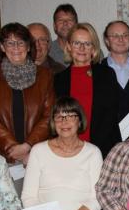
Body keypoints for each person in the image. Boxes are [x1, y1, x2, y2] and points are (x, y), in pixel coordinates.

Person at [0, 22, 55, 172]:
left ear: (28, 47)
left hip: (36, 153)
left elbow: (49, 115)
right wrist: (12, 147)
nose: (15, 48)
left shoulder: (45, 76)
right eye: (10, 43)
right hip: (1, 155)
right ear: (2, 47)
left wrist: (28, 146)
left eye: (20, 42)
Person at [53, 22, 123, 157]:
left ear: (93, 48)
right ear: (68, 46)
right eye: (77, 43)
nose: (82, 48)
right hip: (67, 149)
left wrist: (90, 149)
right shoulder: (58, 79)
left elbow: (111, 116)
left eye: (87, 43)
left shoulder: (107, 74)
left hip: (102, 149)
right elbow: (57, 118)